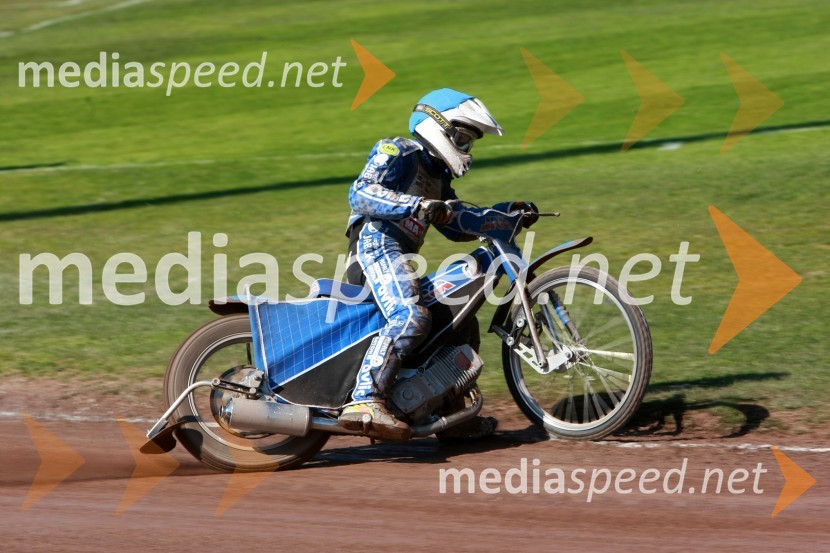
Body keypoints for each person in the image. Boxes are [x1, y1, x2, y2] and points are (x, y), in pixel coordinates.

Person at [339, 88, 521, 440]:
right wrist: (415, 206)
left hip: (399, 258)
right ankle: (364, 399)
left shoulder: (439, 178)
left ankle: (451, 414)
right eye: (463, 138)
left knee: (460, 319)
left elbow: (456, 223)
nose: (466, 149)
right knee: (411, 316)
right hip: (375, 248)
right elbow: (360, 192)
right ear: (438, 127)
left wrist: (505, 215)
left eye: (470, 141)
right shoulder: (398, 150)